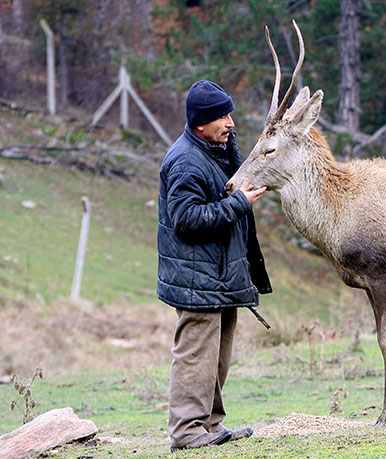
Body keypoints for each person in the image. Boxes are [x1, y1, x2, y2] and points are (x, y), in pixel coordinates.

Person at [157, 80, 272, 452]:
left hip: (220, 277)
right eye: (222, 116)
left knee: (216, 358)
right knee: (195, 357)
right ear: (200, 123)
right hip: (197, 280)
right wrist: (240, 204)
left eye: (230, 113)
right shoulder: (186, 161)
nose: (231, 122)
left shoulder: (216, 148)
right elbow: (185, 218)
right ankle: (186, 432)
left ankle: (208, 426)